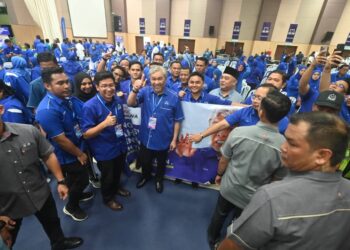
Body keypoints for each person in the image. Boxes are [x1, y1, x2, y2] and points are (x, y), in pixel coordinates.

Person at [217, 112, 350, 250]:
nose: (283, 147)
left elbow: (232, 247)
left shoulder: (273, 198)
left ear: (322, 155)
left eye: (292, 143)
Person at [208, 90, 291, 250]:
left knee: (220, 214)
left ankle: (212, 238)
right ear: (283, 118)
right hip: (254, 196)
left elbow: (224, 159)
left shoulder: (239, 133)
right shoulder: (284, 146)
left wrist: (219, 175)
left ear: (261, 111)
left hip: (230, 187)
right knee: (240, 221)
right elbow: (277, 179)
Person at [0, 104, 83, 249]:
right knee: (6, 242)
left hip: (40, 193)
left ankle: (59, 242)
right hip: (6, 207)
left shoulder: (28, 131)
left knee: (52, 222)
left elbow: (47, 155)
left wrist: (61, 181)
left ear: (1, 109)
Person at [35, 67, 91, 222]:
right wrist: (79, 154)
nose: (67, 86)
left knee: (76, 179)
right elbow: (60, 140)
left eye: (67, 82)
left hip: (77, 144)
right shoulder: (47, 110)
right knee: (81, 179)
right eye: (60, 83)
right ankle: (71, 207)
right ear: (47, 86)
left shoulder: (67, 99)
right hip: (67, 154)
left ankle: (77, 194)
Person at [127, 65, 184, 193]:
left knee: (161, 163)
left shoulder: (174, 96)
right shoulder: (145, 91)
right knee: (146, 161)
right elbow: (130, 103)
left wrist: (174, 140)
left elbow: (177, 120)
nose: (156, 82)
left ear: (165, 79)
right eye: (153, 79)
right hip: (146, 136)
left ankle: (159, 179)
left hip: (163, 138)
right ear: (150, 79)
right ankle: (145, 176)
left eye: (160, 79)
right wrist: (135, 89)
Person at [82, 71, 130, 211]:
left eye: (111, 85)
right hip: (104, 150)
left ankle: (116, 188)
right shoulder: (90, 106)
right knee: (107, 176)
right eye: (104, 86)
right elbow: (86, 134)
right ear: (97, 87)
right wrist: (104, 124)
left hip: (120, 144)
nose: (109, 89)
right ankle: (108, 198)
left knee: (117, 172)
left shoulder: (118, 100)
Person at [190, 84, 289, 144]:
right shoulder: (246, 111)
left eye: (259, 98)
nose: (254, 100)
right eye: (254, 96)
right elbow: (223, 124)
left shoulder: (283, 120)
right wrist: (202, 135)